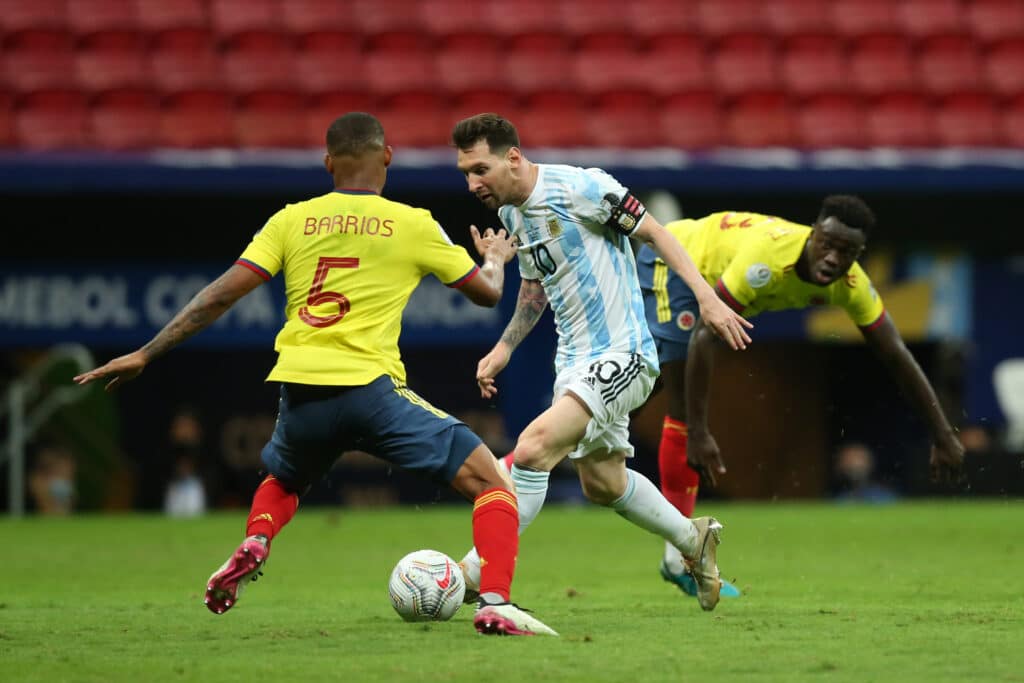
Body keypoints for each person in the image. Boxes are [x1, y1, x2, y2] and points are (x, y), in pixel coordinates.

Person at [73, 112, 555, 637]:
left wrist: (147, 352)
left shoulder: (289, 220)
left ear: (328, 163)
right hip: (371, 389)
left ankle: (257, 538)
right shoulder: (412, 222)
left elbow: (220, 295)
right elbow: (486, 295)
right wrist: (496, 259)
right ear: (387, 157)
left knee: (283, 478)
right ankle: (495, 603)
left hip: (300, 391)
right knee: (494, 485)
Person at [451, 113, 753, 612]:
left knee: (530, 450)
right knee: (603, 482)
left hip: (625, 353)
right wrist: (506, 347)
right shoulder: (511, 215)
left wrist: (707, 298)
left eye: (480, 169)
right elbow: (535, 283)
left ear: (512, 157)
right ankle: (693, 538)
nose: (472, 183)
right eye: (465, 173)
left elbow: (656, 233)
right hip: (572, 364)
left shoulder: (582, 188)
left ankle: (474, 573)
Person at [635, 196, 965, 597]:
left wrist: (943, 433)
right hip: (678, 260)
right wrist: (702, 433)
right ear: (813, 233)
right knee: (679, 402)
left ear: (859, 255)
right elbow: (708, 335)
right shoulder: (768, 260)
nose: (832, 257)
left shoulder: (852, 284)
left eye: (847, 252)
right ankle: (678, 557)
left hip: (711, 277)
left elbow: (896, 354)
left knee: (663, 391)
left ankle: (677, 556)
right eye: (826, 243)